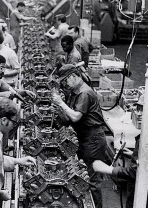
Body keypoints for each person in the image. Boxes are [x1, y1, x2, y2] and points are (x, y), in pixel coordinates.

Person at [52, 64, 107, 208]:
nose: (65, 84)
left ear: (73, 76)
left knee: (92, 180)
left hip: (93, 139)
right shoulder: (75, 93)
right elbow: (68, 118)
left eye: (66, 81)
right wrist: (59, 108)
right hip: (84, 137)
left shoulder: (84, 93)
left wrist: (61, 103)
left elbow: (75, 117)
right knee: (84, 175)